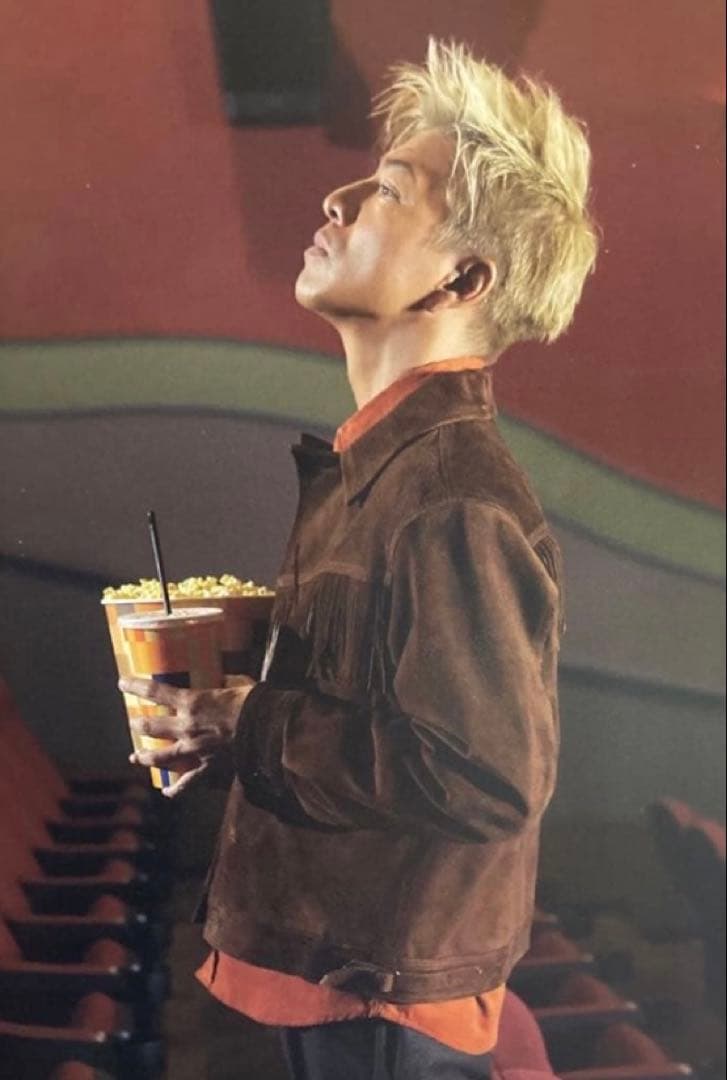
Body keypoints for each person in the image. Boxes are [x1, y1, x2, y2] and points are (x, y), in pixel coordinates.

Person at [120, 38, 598, 1080]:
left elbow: (482, 774)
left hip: (377, 1008)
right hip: (340, 981)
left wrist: (243, 718)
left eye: (385, 190)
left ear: (462, 278)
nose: (334, 204)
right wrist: (235, 708)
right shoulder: (380, 471)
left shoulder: (450, 496)